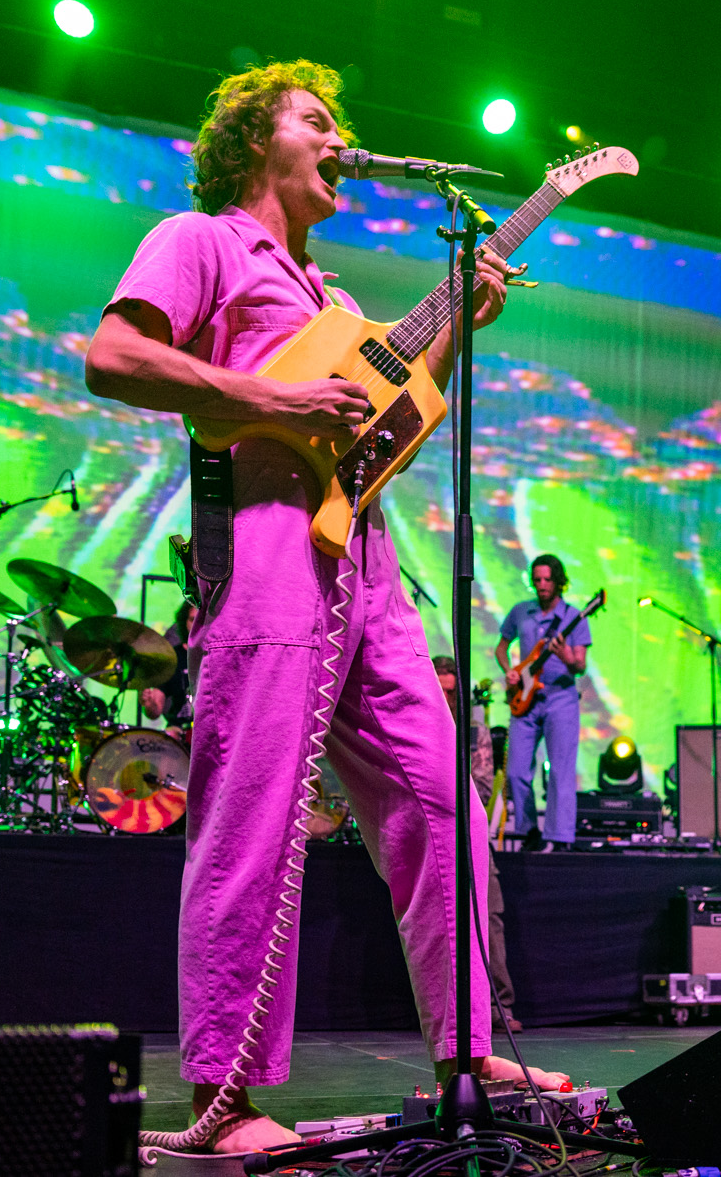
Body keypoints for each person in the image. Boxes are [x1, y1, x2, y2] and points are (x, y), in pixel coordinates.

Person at [84, 60, 561, 1154]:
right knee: (251, 813)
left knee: (439, 795)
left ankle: (468, 1046)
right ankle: (223, 1100)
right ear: (259, 142)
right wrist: (274, 396)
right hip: (264, 557)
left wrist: (462, 318)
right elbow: (112, 355)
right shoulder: (199, 239)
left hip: (367, 560)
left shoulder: (334, 301)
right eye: (316, 120)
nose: (340, 137)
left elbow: (383, 417)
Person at [434, 654, 522, 1032]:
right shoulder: (419, 720)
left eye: (451, 691)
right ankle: (449, 1014)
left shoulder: (473, 728)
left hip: (468, 827)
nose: (445, 697)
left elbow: (485, 786)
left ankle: (499, 1007)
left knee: (490, 917)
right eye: (439, 689)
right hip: (430, 827)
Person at [494, 555, 591, 850]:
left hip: (561, 700)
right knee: (515, 771)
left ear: (558, 581)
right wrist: (508, 670)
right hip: (526, 700)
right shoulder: (522, 612)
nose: (542, 585)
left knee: (561, 771)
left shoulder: (574, 616)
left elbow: (580, 667)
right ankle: (528, 831)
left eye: (547, 580)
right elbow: (501, 646)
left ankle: (560, 838)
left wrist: (564, 656)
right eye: (537, 580)